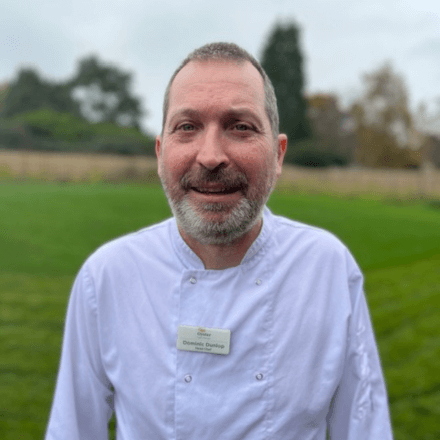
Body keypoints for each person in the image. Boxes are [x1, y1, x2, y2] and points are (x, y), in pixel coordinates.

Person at [45, 42, 393, 439]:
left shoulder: (326, 268)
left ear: (278, 155)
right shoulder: (108, 277)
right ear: (161, 153)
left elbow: (365, 428)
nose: (210, 156)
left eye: (240, 127)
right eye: (187, 127)